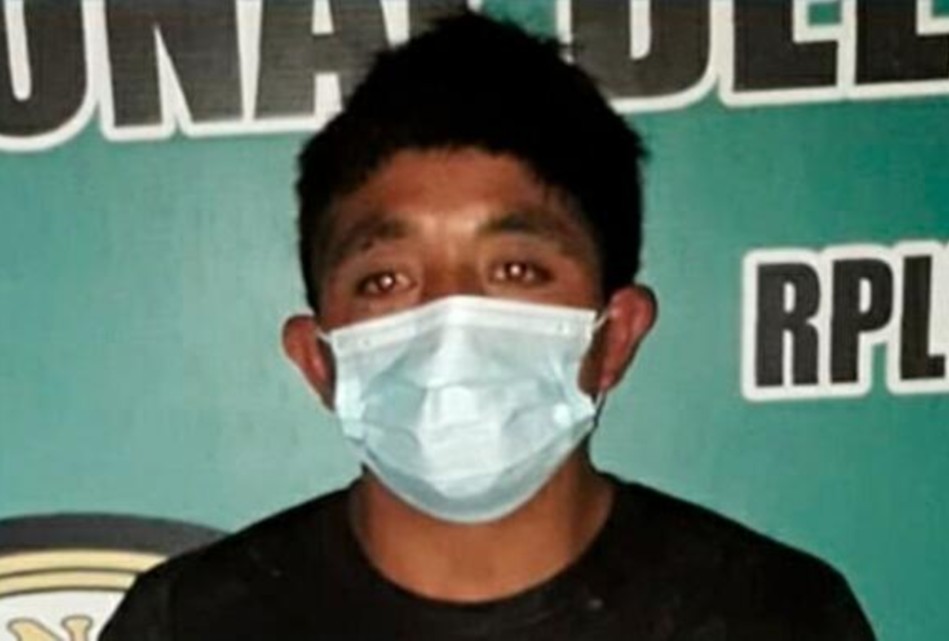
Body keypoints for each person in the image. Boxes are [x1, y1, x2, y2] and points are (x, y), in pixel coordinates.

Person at [102, 12, 875, 640]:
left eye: (516, 270)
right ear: (317, 359)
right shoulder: (187, 624)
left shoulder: (769, 617)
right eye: (386, 280)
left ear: (614, 336)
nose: (451, 321)